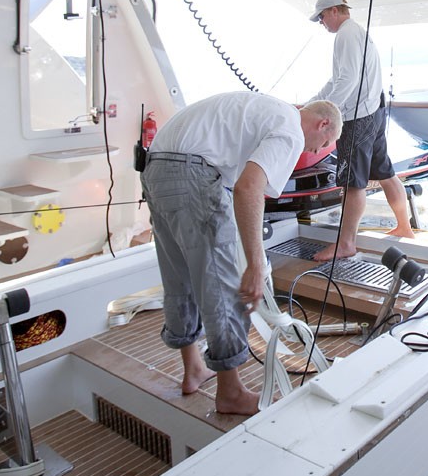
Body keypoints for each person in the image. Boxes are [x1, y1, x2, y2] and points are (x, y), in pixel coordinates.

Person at [141, 92, 341, 415]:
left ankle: (193, 368)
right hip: (193, 174)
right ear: (323, 124)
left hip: (155, 166)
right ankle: (230, 391)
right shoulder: (290, 128)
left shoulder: (264, 110)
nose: (313, 152)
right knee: (222, 284)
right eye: (319, 145)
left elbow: (239, 184)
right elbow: (249, 189)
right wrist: (255, 264)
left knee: (181, 278)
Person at [307, 0, 413, 262]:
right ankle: (405, 227)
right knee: (385, 171)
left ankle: (346, 244)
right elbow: (338, 80)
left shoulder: (345, 33)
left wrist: (327, 114)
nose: (322, 23)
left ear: (333, 10)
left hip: (357, 117)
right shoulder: (356, 32)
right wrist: (310, 105)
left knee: (352, 184)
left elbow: (347, 81)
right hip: (374, 111)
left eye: (321, 17)